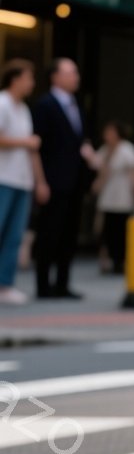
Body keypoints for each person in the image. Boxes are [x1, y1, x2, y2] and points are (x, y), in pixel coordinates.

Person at [30, 57, 94, 299]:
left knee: (69, 234)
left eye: (76, 73)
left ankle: (63, 283)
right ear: (55, 77)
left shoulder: (76, 104)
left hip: (75, 179)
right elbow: (38, 145)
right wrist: (41, 181)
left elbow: (80, 139)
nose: (75, 77)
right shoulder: (45, 105)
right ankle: (43, 285)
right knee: (49, 232)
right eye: (70, 73)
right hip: (53, 180)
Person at [0, 59, 44, 305]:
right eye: (29, 78)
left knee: (15, 235)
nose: (32, 83)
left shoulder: (23, 108)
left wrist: (40, 181)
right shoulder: (3, 102)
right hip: (3, 177)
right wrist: (25, 143)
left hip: (22, 179)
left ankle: (4, 284)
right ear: (15, 79)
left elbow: (32, 148)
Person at [91, 121, 134, 274]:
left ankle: (121, 261)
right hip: (108, 194)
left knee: (122, 229)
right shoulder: (104, 150)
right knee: (108, 230)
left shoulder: (127, 149)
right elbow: (97, 167)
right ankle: (109, 259)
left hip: (123, 193)